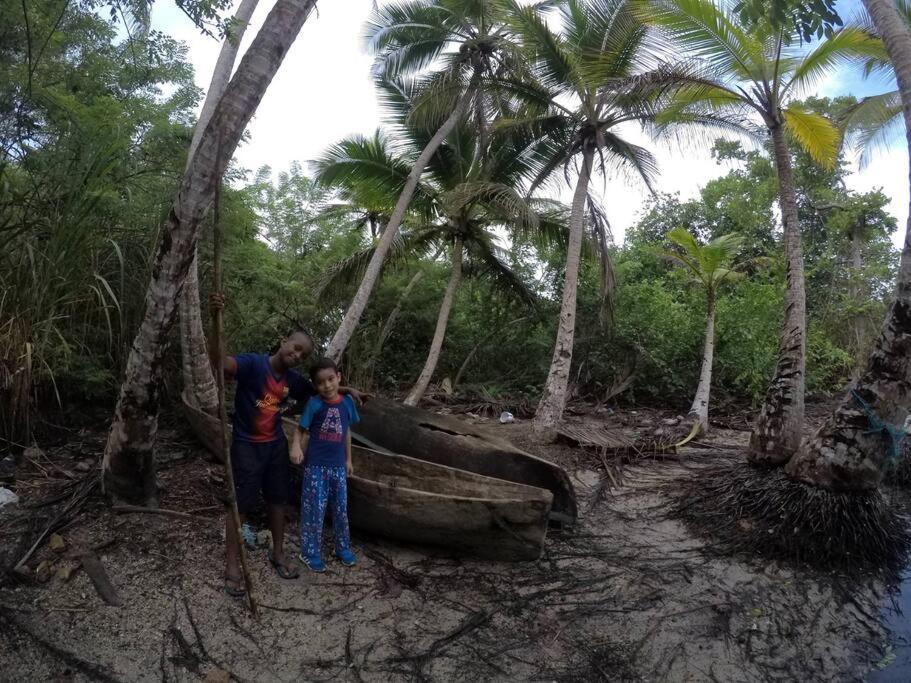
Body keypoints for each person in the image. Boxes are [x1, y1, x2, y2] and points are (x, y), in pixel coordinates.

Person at [210, 296, 364, 596]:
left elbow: (324, 390)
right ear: (283, 342)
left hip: (275, 445)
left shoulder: (293, 380)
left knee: (278, 500)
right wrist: (215, 320)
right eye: (295, 347)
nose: (296, 355)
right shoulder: (252, 365)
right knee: (240, 504)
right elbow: (219, 362)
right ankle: (232, 563)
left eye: (302, 354)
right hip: (246, 445)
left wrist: (347, 389)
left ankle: (278, 552)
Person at [290, 357, 359, 572]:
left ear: (338, 377)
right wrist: (296, 447)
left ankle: (342, 547)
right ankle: (309, 552)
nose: (327, 385)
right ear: (315, 385)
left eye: (331, 379)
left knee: (340, 509)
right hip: (316, 468)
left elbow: (346, 431)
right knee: (314, 511)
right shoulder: (314, 404)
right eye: (321, 382)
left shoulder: (347, 403)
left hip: (338, 467)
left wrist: (348, 459)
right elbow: (300, 429)